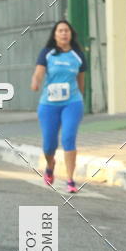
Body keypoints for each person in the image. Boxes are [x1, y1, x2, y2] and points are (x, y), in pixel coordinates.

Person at [31, 19, 86, 194]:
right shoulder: (47, 53)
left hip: (72, 103)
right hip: (49, 105)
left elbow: (81, 80)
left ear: (71, 34)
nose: (64, 33)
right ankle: (50, 164)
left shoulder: (78, 54)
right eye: (60, 31)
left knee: (68, 138)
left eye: (66, 31)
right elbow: (39, 73)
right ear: (55, 35)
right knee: (49, 145)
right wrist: (36, 82)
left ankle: (70, 179)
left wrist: (79, 99)